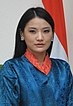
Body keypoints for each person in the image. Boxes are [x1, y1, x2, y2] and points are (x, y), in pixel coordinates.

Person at [0, 7, 73, 106]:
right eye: (32, 31)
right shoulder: (12, 69)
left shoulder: (63, 68)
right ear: (22, 34)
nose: (40, 37)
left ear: (52, 35)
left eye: (46, 31)